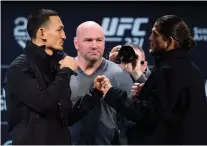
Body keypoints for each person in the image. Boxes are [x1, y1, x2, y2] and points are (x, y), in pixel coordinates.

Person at [94, 15, 207, 144]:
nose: (149, 38)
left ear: (169, 42)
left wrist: (110, 92)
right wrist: (145, 93)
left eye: (154, 34)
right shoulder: (190, 68)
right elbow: (168, 108)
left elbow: (149, 114)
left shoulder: (170, 70)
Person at [3, 9, 101, 145]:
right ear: (42, 33)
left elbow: (65, 118)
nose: (64, 36)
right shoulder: (19, 68)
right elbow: (44, 103)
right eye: (59, 30)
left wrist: (95, 94)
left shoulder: (57, 64)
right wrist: (65, 71)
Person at [69, 21, 133, 144]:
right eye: (88, 40)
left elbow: (129, 121)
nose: (94, 45)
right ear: (76, 43)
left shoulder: (119, 74)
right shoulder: (63, 73)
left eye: (99, 40)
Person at [109, 44, 151, 144]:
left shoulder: (153, 82)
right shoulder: (111, 79)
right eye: (120, 61)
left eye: (133, 61)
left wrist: (136, 74)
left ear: (144, 66)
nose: (125, 65)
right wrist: (110, 65)